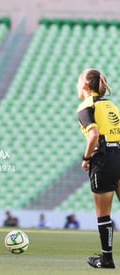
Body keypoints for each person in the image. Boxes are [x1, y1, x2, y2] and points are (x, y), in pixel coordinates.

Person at [77, 68, 119, 269]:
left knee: (104, 213)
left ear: (85, 85)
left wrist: (86, 159)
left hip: (103, 159)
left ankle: (107, 260)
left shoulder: (86, 106)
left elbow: (93, 135)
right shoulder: (112, 105)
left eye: (78, 81)